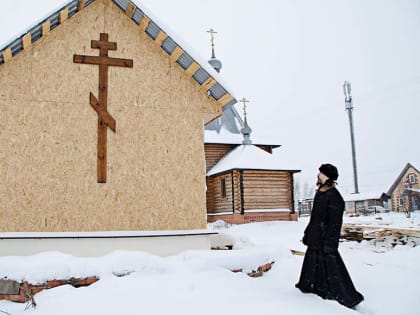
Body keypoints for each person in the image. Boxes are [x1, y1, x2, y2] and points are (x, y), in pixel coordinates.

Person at [295, 163, 364, 309]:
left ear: (326, 176)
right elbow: (315, 218)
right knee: (313, 267)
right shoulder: (321, 193)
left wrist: (331, 243)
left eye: (320, 173)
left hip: (325, 239)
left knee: (332, 268)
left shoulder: (334, 196)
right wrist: (308, 234)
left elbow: (335, 223)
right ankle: (314, 289)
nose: (317, 175)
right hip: (315, 238)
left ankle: (345, 296)